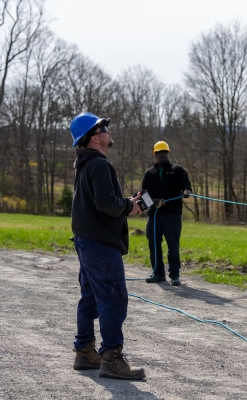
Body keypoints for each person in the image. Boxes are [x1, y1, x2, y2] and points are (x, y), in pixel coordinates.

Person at [69, 111, 145, 380]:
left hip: (86, 241)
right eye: (103, 127)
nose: (108, 130)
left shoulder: (84, 163)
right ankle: (111, 358)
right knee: (113, 298)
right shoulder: (100, 165)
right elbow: (106, 204)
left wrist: (125, 202)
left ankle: (84, 352)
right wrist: (130, 206)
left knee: (90, 298)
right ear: (93, 137)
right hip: (100, 245)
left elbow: (100, 201)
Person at [141, 141, 192, 286]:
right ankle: (158, 273)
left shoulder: (177, 169)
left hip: (172, 215)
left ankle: (174, 275)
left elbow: (185, 184)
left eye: (166, 152)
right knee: (154, 244)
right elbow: (143, 195)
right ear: (155, 155)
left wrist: (186, 190)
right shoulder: (149, 173)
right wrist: (155, 201)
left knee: (173, 246)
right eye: (160, 153)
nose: (163, 155)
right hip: (154, 215)